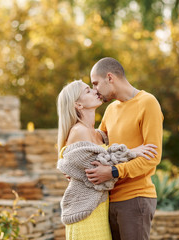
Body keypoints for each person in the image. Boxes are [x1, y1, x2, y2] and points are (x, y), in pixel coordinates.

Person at [56, 80, 158, 240]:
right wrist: (132, 152)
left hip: (101, 208)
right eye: (88, 90)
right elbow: (102, 166)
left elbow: (107, 154)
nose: (95, 91)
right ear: (79, 105)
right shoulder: (78, 131)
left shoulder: (98, 134)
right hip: (86, 212)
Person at [85, 57, 164, 240]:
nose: (95, 90)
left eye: (96, 83)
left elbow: (152, 157)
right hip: (109, 200)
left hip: (135, 200)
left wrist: (113, 171)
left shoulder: (147, 103)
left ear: (110, 77)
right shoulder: (111, 110)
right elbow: (96, 145)